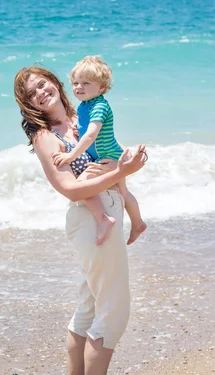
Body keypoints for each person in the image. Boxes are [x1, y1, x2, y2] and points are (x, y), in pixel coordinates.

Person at [14, 65, 146, 375]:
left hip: (104, 214)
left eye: (43, 84)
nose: (41, 92)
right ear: (29, 105)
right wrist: (122, 172)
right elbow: (69, 187)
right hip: (90, 222)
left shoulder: (81, 114)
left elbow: (102, 155)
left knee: (89, 304)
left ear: (55, 83)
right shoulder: (45, 136)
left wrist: (119, 166)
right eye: (32, 94)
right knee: (113, 307)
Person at [52, 56, 147, 246]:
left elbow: (91, 135)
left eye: (86, 83)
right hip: (104, 155)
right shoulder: (84, 105)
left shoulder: (100, 106)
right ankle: (137, 223)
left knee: (113, 189)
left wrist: (71, 155)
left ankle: (121, 221)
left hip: (110, 156)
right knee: (121, 190)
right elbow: (85, 128)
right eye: (75, 82)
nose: (79, 87)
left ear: (101, 87)